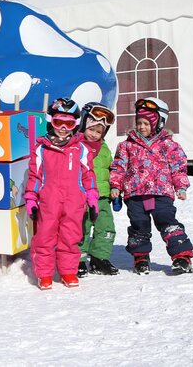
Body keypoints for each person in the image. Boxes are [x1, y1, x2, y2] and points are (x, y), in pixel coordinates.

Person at [110, 97, 193, 275]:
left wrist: (181, 186)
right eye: (139, 122)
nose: (141, 127)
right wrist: (115, 186)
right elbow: (119, 166)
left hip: (160, 193)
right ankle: (140, 257)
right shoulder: (126, 146)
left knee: (166, 220)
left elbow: (178, 167)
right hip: (135, 194)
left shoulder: (169, 145)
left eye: (147, 123)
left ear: (158, 123)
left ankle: (181, 256)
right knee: (139, 224)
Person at [24, 98, 98, 290]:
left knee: (71, 236)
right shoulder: (41, 149)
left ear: (76, 124)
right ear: (51, 122)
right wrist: (31, 198)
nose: (63, 128)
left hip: (74, 202)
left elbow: (88, 175)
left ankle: (67, 271)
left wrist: (91, 197)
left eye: (69, 123)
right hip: (49, 202)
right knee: (44, 237)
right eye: (58, 122)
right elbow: (35, 175)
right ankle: (45, 274)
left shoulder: (81, 149)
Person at [76, 103, 119, 277]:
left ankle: (99, 259)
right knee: (81, 229)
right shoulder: (76, 146)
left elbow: (112, 168)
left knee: (106, 228)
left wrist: (115, 188)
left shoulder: (104, 148)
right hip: (82, 196)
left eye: (99, 131)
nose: (94, 134)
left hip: (102, 197)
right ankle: (78, 259)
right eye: (91, 129)